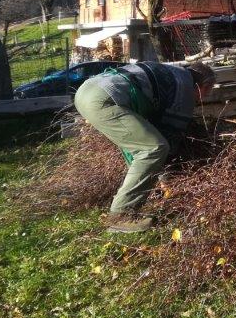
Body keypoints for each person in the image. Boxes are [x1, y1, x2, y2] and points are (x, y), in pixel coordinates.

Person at [73, 60, 216, 233]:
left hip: (87, 90)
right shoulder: (185, 89)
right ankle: (121, 215)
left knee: (142, 143)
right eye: (207, 92)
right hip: (105, 99)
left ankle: (135, 197)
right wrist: (168, 180)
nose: (203, 98)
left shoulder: (174, 73)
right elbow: (170, 137)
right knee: (154, 148)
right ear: (202, 86)